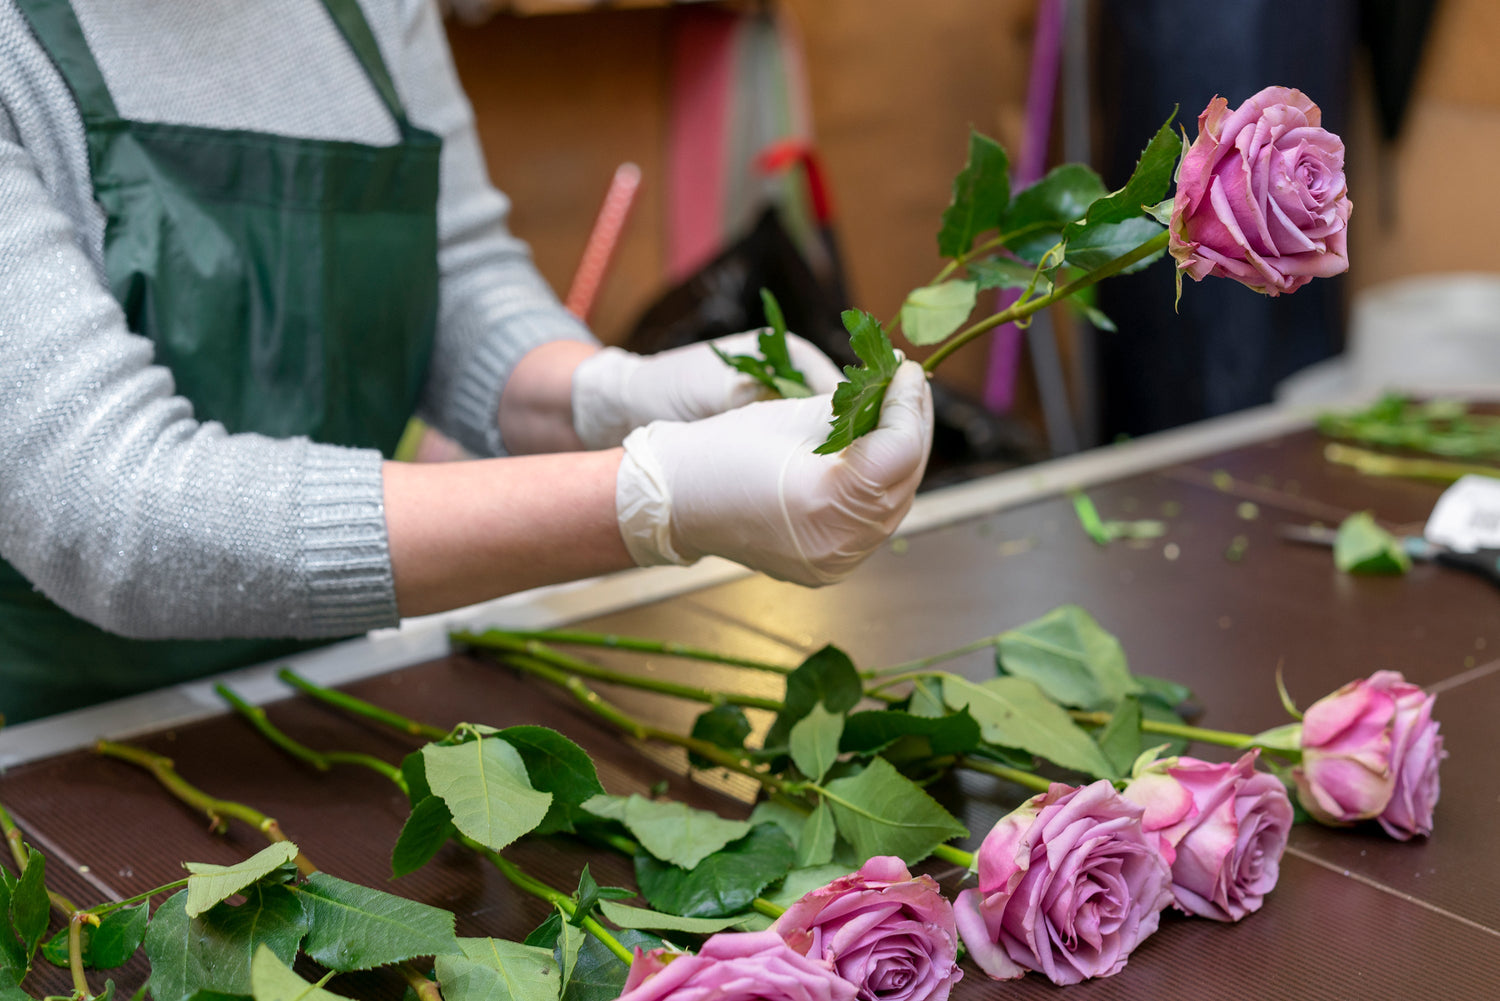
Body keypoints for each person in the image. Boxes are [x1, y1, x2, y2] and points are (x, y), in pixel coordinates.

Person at [0, 0, 933, 723]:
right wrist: (651, 500)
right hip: (42, 761)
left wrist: (605, 393)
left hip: (323, 699)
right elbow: (109, 503)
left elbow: (456, 269)